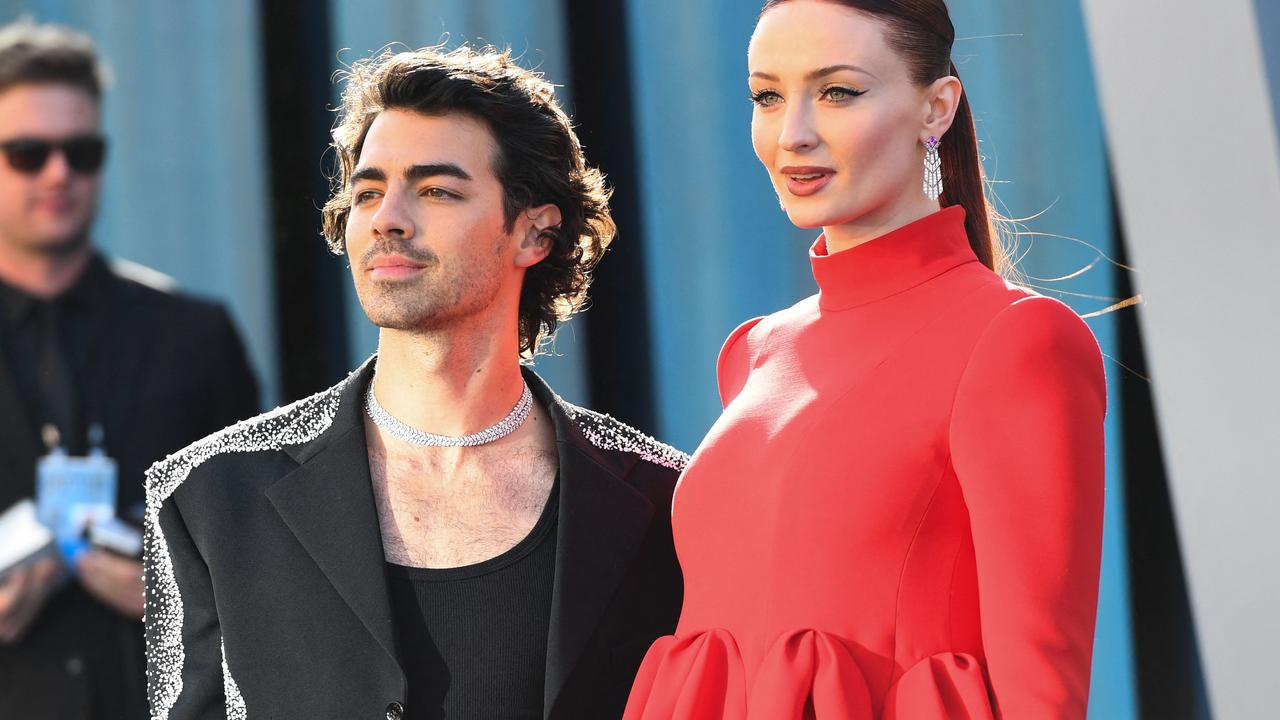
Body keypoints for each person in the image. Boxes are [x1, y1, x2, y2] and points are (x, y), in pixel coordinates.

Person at [144, 45, 687, 720]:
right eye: (369, 191)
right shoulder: (214, 499)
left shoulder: (666, 509)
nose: (387, 218)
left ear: (534, 234)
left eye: (436, 191)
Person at [624, 1, 1107, 718]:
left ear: (935, 109)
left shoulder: (1018, 339)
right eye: (767, 96)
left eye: (838, 92)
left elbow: (1044, 686)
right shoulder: (752, 352)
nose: (792, 134)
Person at [0, 19, 260, 720]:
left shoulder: (193, 334)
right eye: (28, 153)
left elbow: (264, 550)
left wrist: (179, 594)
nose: (60, 173)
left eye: (82, 152)